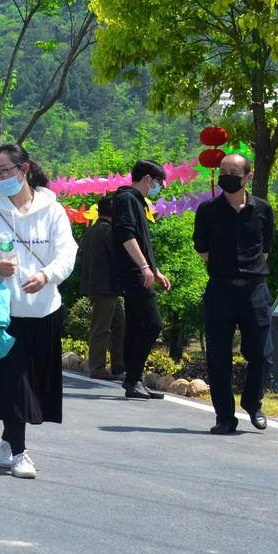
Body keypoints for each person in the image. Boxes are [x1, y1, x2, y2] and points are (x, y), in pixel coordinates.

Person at [0, 143, 76, 480]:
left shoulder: (53, 211)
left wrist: (46, 275)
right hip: (3, 315)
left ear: (24, 170)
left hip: (44, 310)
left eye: (5, 171)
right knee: (14, 383)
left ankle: (8, 441)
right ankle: (20, 452)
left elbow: (67, 254)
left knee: (35, 385)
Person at [194, 153, 277, 435]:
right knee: (218, 357)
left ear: (248, 177)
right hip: (220, 290)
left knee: (262, 355)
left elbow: (265, 248)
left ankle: (253, 404)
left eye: (234, 171)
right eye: (223, 170)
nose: (227, 175)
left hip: (255, 291)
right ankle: (224, 417)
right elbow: (202, 248)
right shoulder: (207, 210)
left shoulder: (263, 210)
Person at [110, 161, 172, 400]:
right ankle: (133, 378)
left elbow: (140, 240)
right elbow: (127, 235)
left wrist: (155, 270)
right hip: (133, 272)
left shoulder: (135, 201)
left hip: (139, 270)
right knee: (152, 323)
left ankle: (132, 380)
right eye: (157, 183)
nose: (157, 188)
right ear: (148, 179)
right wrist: (144, 267)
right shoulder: (127, 199)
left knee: (136, 324)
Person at [79, 193, 124, 380]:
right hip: (106, 287)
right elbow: (118, 257)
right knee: (101, 328)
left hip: (100, 286)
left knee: (119, 324)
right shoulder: (108, 231)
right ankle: (97, 368)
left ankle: (118, 365)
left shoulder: (92, 230)